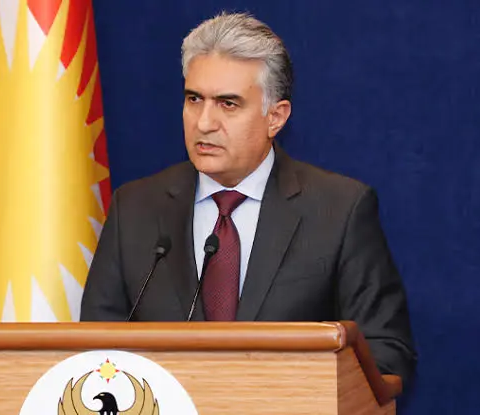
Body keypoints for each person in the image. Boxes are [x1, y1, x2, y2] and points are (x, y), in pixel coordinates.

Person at [79, 12, 416, 382]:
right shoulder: (135, 208)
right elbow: (94, 350)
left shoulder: (339, 210)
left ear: (276, 117)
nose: (204, 123)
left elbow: (385, 353)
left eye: (228, 104)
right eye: (194, 99)